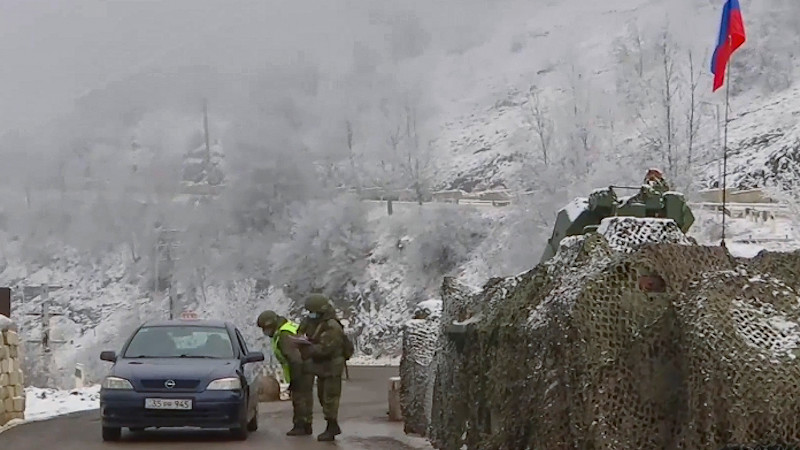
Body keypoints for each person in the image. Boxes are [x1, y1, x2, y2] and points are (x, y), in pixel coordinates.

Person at [256, 310, 314, 436]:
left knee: (299, 398)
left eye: (265, 329)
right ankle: (306, 425)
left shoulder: (284, 336)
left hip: (300, 370)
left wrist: (294, 379)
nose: (265, 332)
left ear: (271, 325)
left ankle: (300, 426)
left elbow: (295, 359)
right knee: (306, 397)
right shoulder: (288, 327)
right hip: (306, 367)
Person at [298, 293, 346, 441]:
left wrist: (308, 349)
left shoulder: (332, 326)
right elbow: (302, 331)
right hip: (321, 367)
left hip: (332, 366)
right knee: (322, 396)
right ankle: (331, 425)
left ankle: (332, 427)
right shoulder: (315, 322)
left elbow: (325, 349)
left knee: (330, 398)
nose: (310, 315)